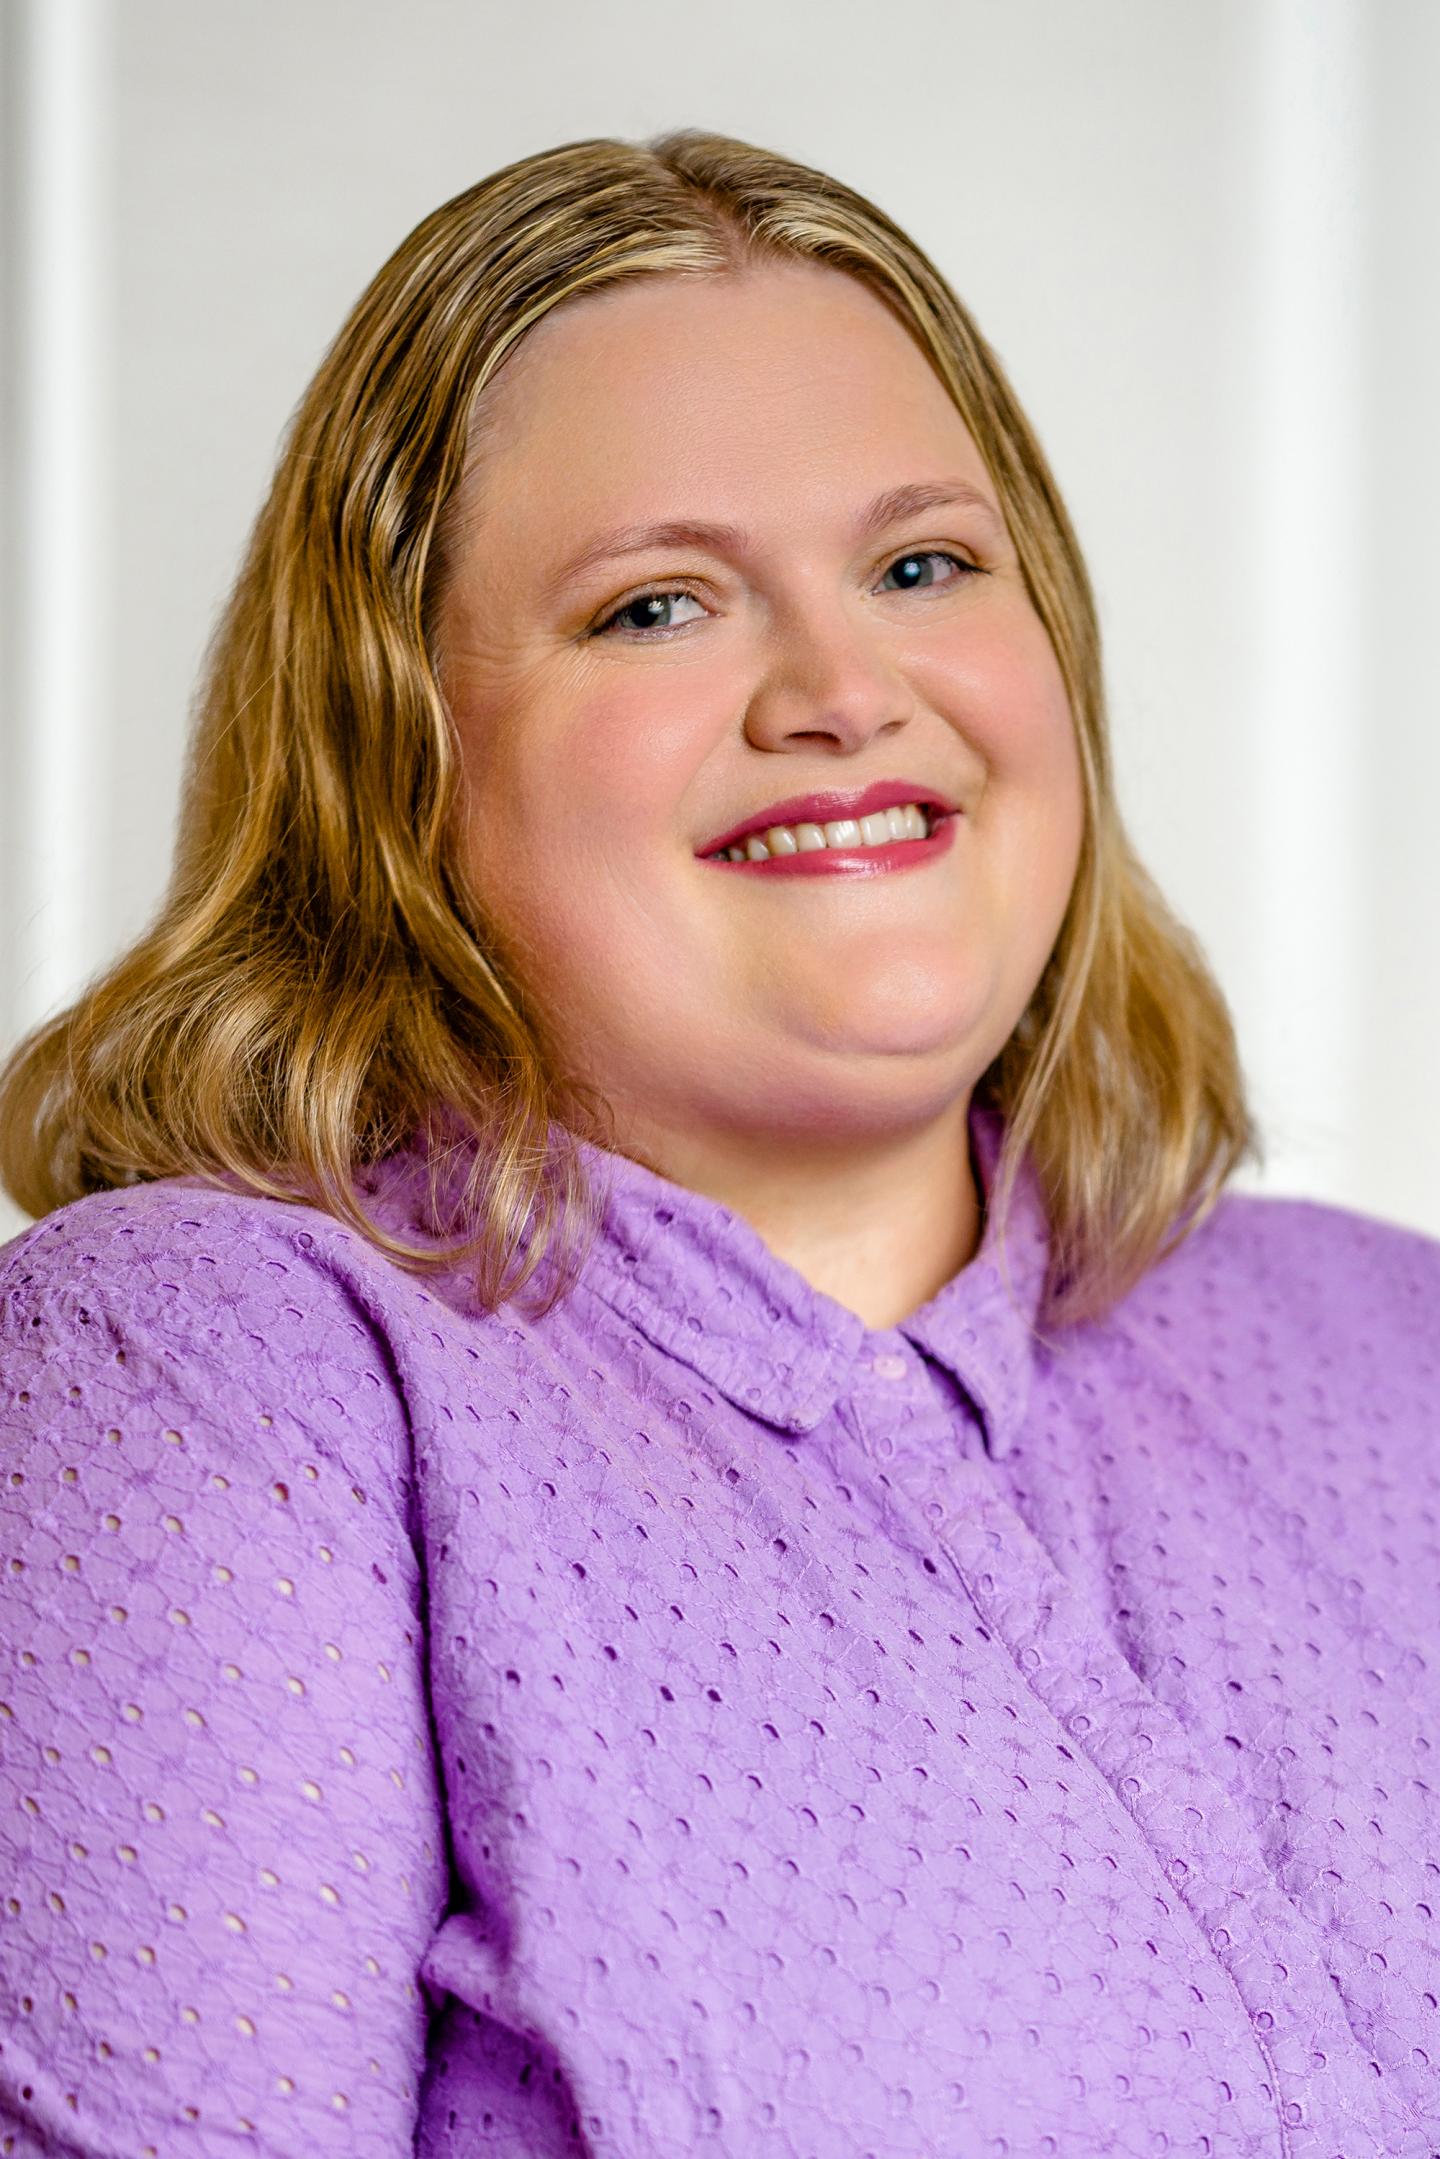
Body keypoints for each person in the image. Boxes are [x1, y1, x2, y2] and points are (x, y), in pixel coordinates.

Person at [0, 126, 1435, 2159]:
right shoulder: (211, 1380)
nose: (845, 690)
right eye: (661, 605)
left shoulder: (1398, 1351)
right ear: (394, 759)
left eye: (924, 565)